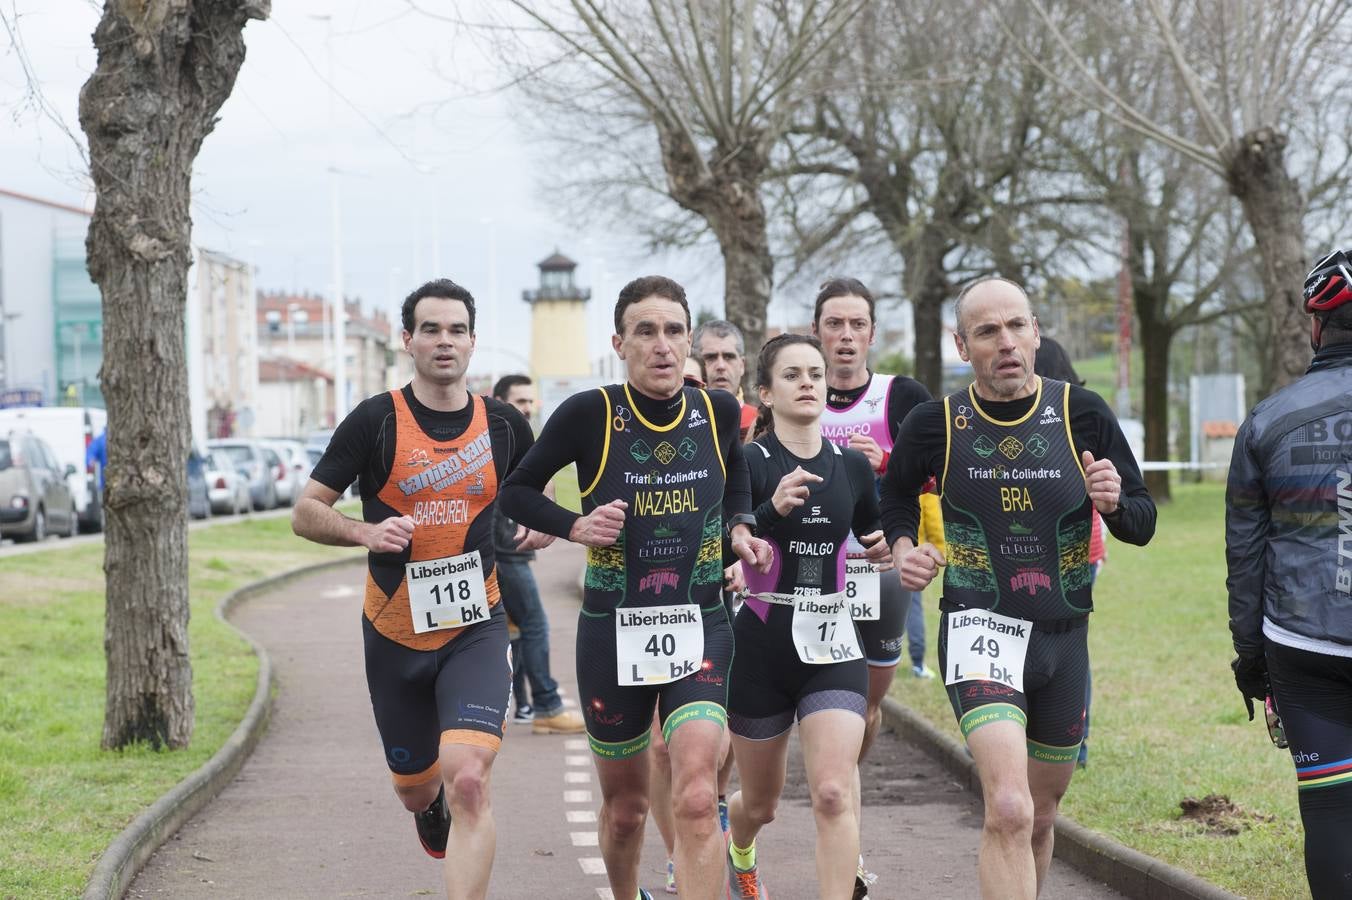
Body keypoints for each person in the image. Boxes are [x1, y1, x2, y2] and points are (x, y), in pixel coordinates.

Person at [879, 276, 1155, 900]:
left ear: (1035, 332)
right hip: (980, 629)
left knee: (1040, 813)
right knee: (1008, 805)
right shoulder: (937, 424)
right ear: (962, 345)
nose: (1004, 343)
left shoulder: (1081, 413)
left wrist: (1113, 503)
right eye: (986, 331)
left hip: (1064, 640)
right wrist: (902, 548)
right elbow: (892, 494)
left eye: (1015, 326)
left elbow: (1142, 520)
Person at [499, 275, 772, 900]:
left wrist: (739, 527)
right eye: (646, 332)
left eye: (674, 331)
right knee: (625, 812)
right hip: (612, 632)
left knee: (699, 792)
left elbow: (735, 483)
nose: (662, 345)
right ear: (619, 342)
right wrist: (574, 525)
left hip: (702, 621)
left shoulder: (717, 411)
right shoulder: (589, 414)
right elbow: (515, 490)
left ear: (689, 343)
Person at [292, 279, 542, 900]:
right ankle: (428, 809)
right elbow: (305, 511)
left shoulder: (504, 424)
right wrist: (364, 533)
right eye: (430, 329)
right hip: (394, 632)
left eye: (457, 329)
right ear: (407, 340)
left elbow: (538, 498)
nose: (444, 341)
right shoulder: (376, 420)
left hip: (476, 627)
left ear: (473, 341)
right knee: (417, 787)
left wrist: (542, 525)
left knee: (471, 781)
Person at [723, 333, 891, 899]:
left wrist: (891, 548)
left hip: (833, 641)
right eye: (792, 375)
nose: (809, 384)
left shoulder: (851, 465)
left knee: (833, 792)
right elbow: (733, 534)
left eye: (816, 374)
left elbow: (873, 533)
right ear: (765, 393)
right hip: (764, 642)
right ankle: (740, 846)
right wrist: (763, 523)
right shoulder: (747, 461)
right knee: (762, 803)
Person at [1227, 248, 1352, 899]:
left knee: (1331, 808)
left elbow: (1246, 558)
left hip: (1302, 644)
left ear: (1314, 326)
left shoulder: (1268, 419)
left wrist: (1251, 660)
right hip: (1304, 641)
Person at [810, 277, 935, 897]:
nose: (846, 336)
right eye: (834, 324)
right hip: (808, 580)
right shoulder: (796, 390)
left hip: (877, 573)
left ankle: (843, 785)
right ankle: (841, 825)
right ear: (817, 332)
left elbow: (943, 474)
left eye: (857, 324)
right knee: (831, 703)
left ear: (872, 334)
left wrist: (887, 464)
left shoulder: (900, 396)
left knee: (867, 706)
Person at [491, 373, 585, 735]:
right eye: (520, 401)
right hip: (504, 549)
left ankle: (526, 704)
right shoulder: (500, 437)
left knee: (513, 628)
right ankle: (545, 704)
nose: (527, 408)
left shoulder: (516, 437)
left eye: (531, 401)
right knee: (534, 624)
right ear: (500, 401)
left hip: (504, 547)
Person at [1031, 337, 1103, 768]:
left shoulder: (1061, 419)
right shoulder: (1080, 414)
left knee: (1052, 646)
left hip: (1057, 546)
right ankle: (1077, 741)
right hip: (1085, 546)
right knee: (1072, 645)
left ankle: (1067, 738)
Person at [692, 319, 758, 440]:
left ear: (742, 365)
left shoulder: (762, 422)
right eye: (711, 357)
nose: (721, 366)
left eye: (729, 357)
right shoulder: (681, 421)